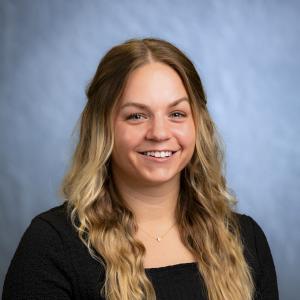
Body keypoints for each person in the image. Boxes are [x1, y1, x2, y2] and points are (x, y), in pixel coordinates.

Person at [2, 38, 279, 300]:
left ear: (198, 125)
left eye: (177, 114)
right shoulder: (52, 244)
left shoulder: (245, 239)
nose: (159, 132)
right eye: (136, 115)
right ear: (103, 128)